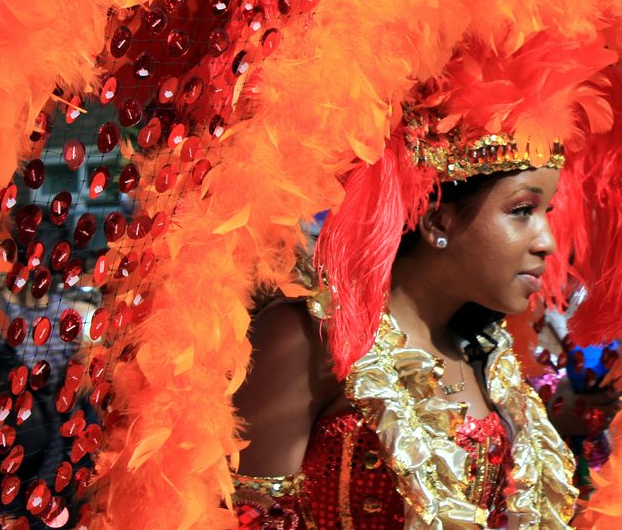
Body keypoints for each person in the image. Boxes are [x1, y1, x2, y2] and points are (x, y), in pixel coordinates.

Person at [232, 128, 578, 529]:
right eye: (522, 210)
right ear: (437, 222)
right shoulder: (314, 336)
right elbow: (245, 519)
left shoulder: (485, 355)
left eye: (546, 213)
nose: (548, 243)